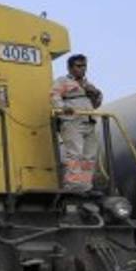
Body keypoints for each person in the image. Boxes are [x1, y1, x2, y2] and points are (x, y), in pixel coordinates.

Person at [50, 53, 103, 193]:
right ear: (70, 68)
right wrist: (62, 108)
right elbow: (54, 95)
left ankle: (85, 185)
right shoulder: (63, 81)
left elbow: (96, 104)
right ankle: (73, 185)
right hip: (72, 122)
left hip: (89, 122)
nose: (82, 69)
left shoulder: (88, 85)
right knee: (75, 154)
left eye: (84, 66)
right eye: (78, 66)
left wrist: (96, 93)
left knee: (90, 156)